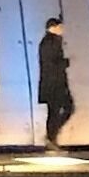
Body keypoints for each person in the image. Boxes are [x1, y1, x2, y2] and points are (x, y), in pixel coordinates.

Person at [35, 14, 76, 147]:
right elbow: (51, 64)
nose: (62, 29)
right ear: (53, 27)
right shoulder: (50, 42)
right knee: (65, 108)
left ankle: (51, 137)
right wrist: (67, 62)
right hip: (54, 84)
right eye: (60, 27)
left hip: (53, 83)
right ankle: (51, 136)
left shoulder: (50, 41)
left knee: (54, 111)